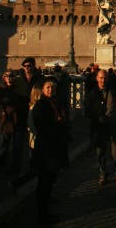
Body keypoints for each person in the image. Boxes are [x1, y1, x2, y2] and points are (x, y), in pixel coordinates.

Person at [30, 77, 70, 224]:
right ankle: (43, 215)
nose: (50, 90)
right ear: (42, 90)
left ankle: (45, 211)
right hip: (46, 150)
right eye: (47, 88)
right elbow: (42, 127)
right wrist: (58, 125)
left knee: (49, 180)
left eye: (52, 88)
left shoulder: (56, 103)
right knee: (44, 183)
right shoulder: (40, 106)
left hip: (55, 148)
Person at [85, 69, 116, 187]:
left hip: (112, 126)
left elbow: (113, 107)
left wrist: (106, 117)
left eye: (105, 78)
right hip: (99, 127)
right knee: (100, 153)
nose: (103, 80)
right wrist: (97, 117)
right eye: (101, 78)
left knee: (115, 152)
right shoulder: (92, 93)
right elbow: (88, 109)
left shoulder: (113, 91)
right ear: (97, 78)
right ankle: (103, 174)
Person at [0, 70, 18, 169]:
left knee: (13, 141)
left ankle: (9, 160)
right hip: (6, 118)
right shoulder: (1, 89)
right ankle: (3, 159)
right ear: (4, 78)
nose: (9, 78)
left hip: (15, 117)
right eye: (7, 76)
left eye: (11, 76)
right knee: (6, 140)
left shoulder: (16, 89)